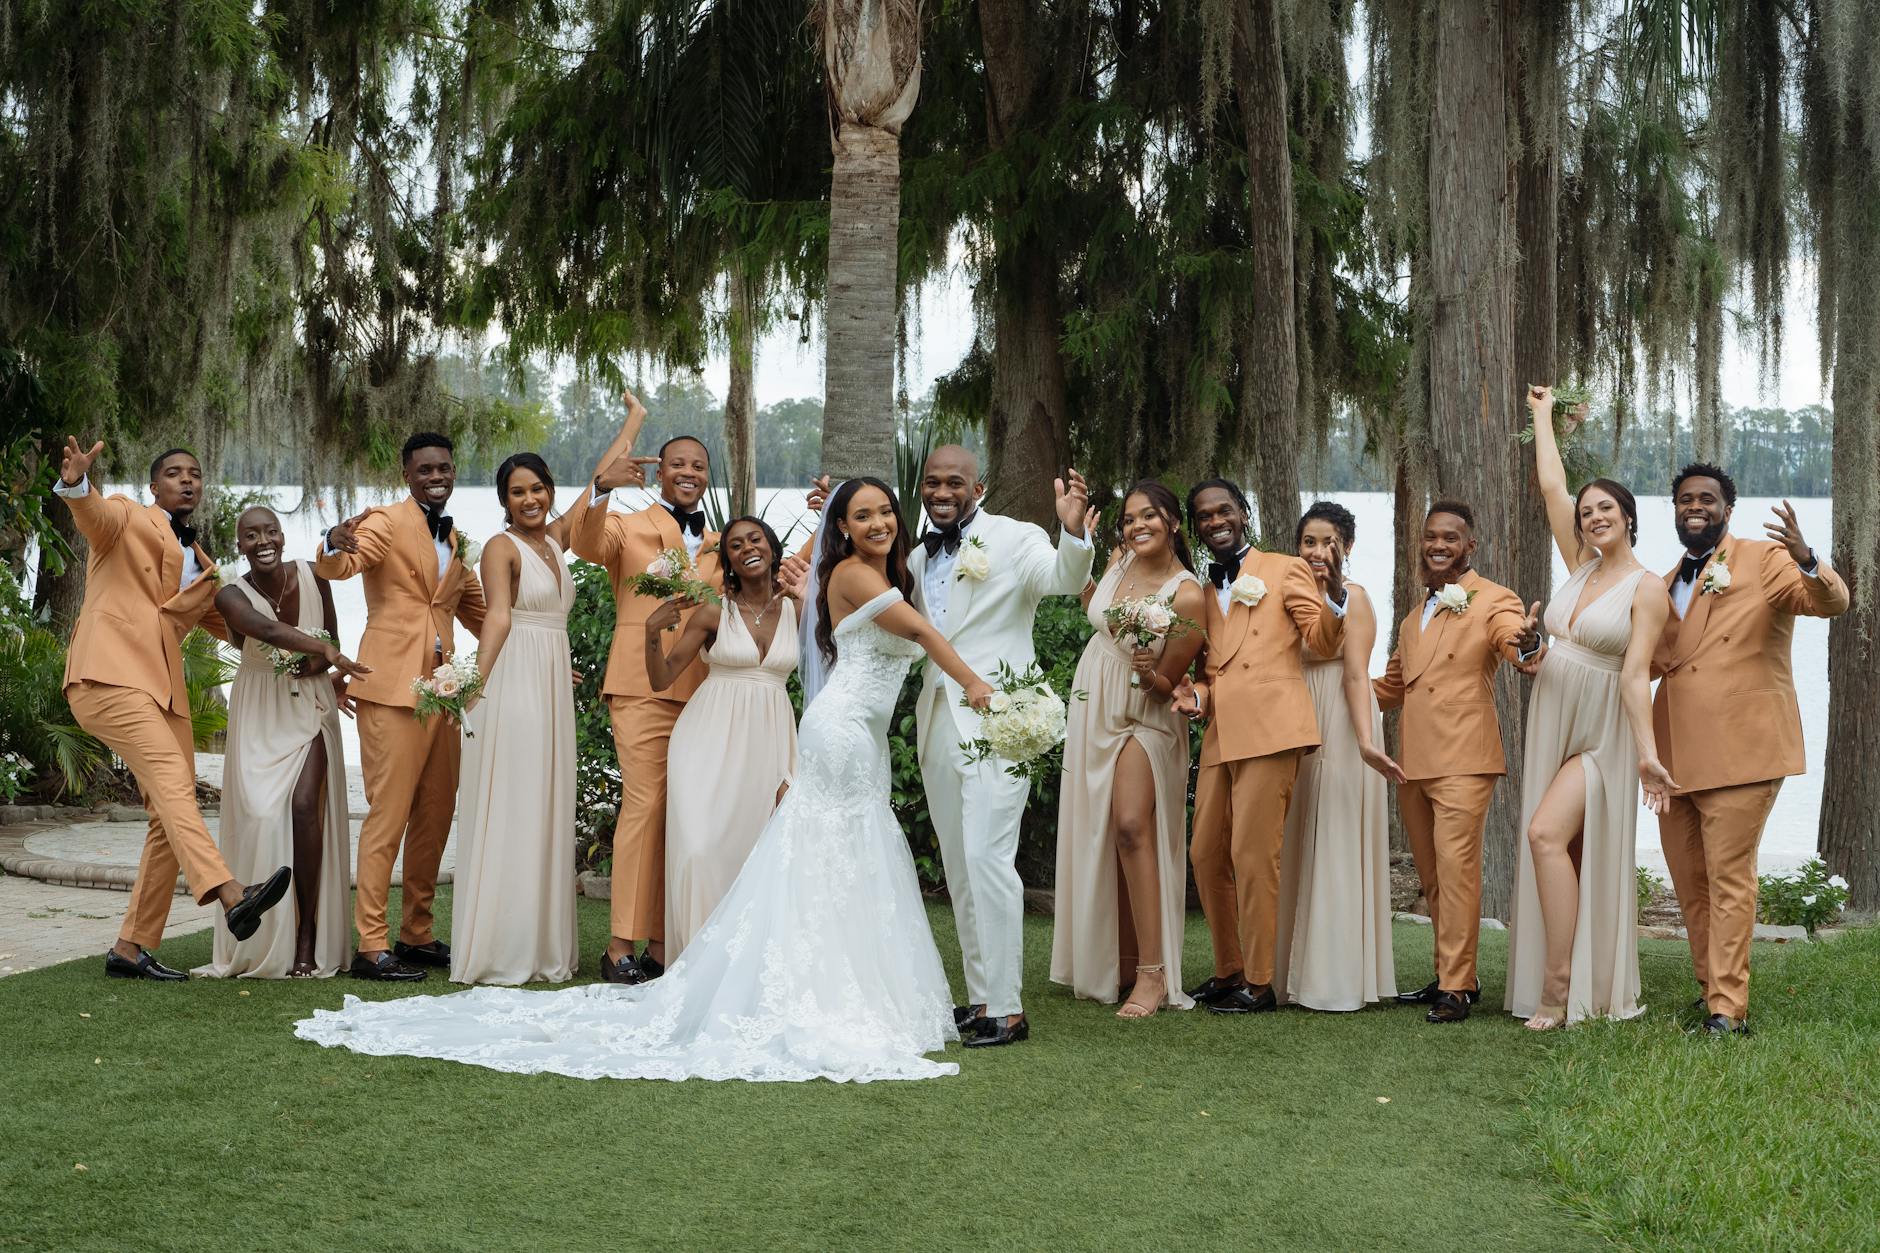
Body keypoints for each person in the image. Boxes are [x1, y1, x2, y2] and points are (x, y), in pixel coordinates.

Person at [296, 478, 997, 1084]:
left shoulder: (811, 594)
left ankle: (842, 983)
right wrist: (976, 684)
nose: (877, 524)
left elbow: (844, 600)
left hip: (809, 733)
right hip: (779, 729)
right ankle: (662, 952)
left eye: (885, 513)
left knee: (823, 855)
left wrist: (821, 525)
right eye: (862, 514)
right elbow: (924, 635)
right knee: (779, 847)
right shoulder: (809, 587)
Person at [51, 439, 293, 980]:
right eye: (176, 473)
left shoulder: (206, 569)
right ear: (154, 486)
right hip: (107, 676)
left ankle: (131, 948)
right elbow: (93, 514)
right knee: (175, 787)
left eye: (196, 474)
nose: (188, 481)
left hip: (165, 695)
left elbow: (240, 634)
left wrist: (310, 657)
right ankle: (232, 895)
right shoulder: (127, 519)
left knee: (167, 814)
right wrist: (76, 486)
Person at [906, 446, 1095, 1048]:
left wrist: (1072, 532)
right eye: (932, 482)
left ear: (978, 487)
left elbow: (1063, 580)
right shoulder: (913, 556)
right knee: (960, 869)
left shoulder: (1013, 538)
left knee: (990, 859)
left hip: (999, 721)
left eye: (954, 482)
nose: (942, 491)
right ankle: (981, 997)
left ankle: (1009, 1010)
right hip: (937, 721)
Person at [1652, 463, 1847, 1036]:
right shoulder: (1666, 581)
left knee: (1729, 878)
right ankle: (1709, 986)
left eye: (1707, 499)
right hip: (1673, 757)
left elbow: (1828, 602)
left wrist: (1809, 559)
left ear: (1727, 509)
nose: (1696, 506)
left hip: (1743, 750)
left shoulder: (1765, 559)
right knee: (1689, 880)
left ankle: (1727, 1010)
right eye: (1686, 499)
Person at [1505, 387, 1675, 1029]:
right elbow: (1551, 485)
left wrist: (1648, 758)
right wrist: (1542, 417)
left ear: (1629, 517)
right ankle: (1563, 974)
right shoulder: (1579, 566)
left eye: (1606, 508)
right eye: (1586, 511)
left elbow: (1636, 677)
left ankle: (1559, 984)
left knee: (1545, 834)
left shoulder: (1648, 587)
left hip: (1603, 730)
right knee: (1561, 847)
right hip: (1554, 708)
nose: (1592, 516)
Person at [316, 432, 487, 981]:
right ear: (407, 474)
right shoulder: (385, 521)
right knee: (388, 816)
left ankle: (417, 933)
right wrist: (335, 540)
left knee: (436, 816)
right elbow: (341, 566)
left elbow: (484, 615)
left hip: (445, 694)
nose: (436, 476)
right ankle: (370, 945)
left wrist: (543, 654)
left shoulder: (458, 540)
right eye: (424, 469)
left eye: (444, 467)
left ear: (453, 470)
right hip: (390, 689)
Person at [1173, 479, 1346, 1016]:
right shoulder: (1203, 591)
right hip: (1223, 730)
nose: (1215, 521)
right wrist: (1197, 695)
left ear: (1243, 514)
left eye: (1224, 510)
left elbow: (1319, 639)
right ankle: (1227, 970)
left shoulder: (1282, 568)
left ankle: (1260, 979)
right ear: (1197, 528)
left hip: (1273, 729)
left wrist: (1334, 597)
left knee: (1254, 855)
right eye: (1204, 516)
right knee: (1204, 852)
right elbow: (1211, 668)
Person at [567, 397, 720, 985]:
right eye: (677, 464)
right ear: (660, 472)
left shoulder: (719, 540)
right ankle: (618, 944)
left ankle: (663, 944)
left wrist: (827, 511)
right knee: (646, 805)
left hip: (703, 690)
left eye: (698, 466)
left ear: (707, 476)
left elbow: (768, 573)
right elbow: (581, 541)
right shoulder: (628, 528)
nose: (687, 473)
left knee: (683, 815)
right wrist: (601, 486)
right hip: (639, 685)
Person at [1373, 501, 1543, 1024]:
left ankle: (1457, 989)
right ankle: (1453, 975)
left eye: (1450, 536)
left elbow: (1514, 641)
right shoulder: (1411, 618)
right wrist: (1323, 691)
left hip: (1465, 759)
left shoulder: (1494, 600)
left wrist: (1528, 643)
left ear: (1471, 545)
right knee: (1433, 878)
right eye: (1430, 536)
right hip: (1413, 763)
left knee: (1458, 871)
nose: (1438, 544)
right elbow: (1391, 688)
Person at [1051, 482, 1204, 1018]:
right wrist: (1074, 537)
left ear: (1174, 523)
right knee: (1100, 826)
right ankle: (1115, 959)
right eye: (1130, 518)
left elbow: (1173, 686)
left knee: (1132, 827)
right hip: (1093, 698)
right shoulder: (1118, 561)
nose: (1139, 526)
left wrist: (1152, 673)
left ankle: (1154, 973)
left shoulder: (1187, 594)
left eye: (1151, 516)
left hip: (1147, 715)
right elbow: (1096, 607)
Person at [197, 507, 369, 979]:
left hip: (310, 705)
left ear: (284, 535)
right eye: (251, 535)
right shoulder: (230, 595)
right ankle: (262, 926)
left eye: (271, 531)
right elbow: (267, 631)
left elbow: (331, 633)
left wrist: (316, 667)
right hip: (259, 709)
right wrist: (325, 653)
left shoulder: (315, 578)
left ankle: (307, 936)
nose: (263, 540)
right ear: (240, 546)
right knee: (257, 813)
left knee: (303, 807)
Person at [447, 453, 582, 986]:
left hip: (548, 680)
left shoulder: (552, 544)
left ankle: (539, 938)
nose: (531, 499)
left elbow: (592, 492)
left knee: (546, 801)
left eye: (539, 489)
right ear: (503, 501)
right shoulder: (502, 548)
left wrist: (632, 423)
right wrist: (475, 683)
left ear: (550, 490)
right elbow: (499, 615)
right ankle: (503, 945)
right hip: (513, 681)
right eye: (518, 492)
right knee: (517, 801)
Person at [647, 515, 800, 959]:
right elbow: (662, 678)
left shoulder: (799, 607)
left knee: (761, 853)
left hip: (771, 743)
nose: (747, 548)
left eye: (756, 539)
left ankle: (745, 965)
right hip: (705, 743)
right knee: (698, 851)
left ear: (772, 548)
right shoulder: (714, 610)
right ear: (728, 559)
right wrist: (650, 633)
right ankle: (696, 962)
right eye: (735, 544)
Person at [1270, 501, 1401, 1012]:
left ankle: (1333, 976)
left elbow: (1353, 674)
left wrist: (1366, 742)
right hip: (1296, 713)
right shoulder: (1288, 595)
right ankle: (1284, 972)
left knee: (1335, 837)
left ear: (1347, 548)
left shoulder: (1357, 599)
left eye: (1329, 542)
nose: (1319, 552)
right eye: (1309, 542)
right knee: (1298, 833)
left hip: (1345, 719)